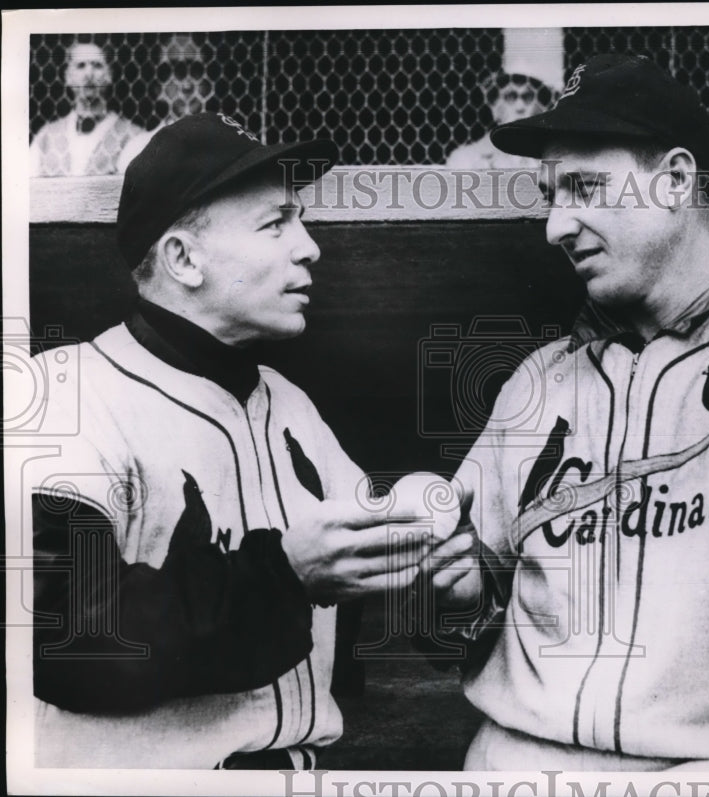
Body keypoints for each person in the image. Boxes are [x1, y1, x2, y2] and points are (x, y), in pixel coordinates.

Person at [428, 55, 709, 772]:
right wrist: (446, 584)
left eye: (585, 187)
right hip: (517, 766)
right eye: (549, 195)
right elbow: (455, 608)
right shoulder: (539, 381)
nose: (556, 225)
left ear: (677, 179)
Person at [28, 112, 470, 769]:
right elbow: (68, 636)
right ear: (184, 258)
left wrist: (435, 591)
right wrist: (283, 575)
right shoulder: (65, 394)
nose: (309, 246)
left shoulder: (291, 406)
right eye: (276, 223)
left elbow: (379, 574)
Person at [29, 39, 144, 176]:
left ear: (109, 75)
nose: (89, 74)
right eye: (81, 65)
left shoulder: (133, 136)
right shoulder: (46, 137)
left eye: (97, 65)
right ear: (67, 77)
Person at [116, 33, 216, 171]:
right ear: (158, 88)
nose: (187, 86)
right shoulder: (137, 151)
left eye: (195, 71)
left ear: (209, 85)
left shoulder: (226, 146)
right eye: (176, 72)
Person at [445, 70, 557, 169]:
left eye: (528, 97)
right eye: (510, 97)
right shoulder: (465, 159)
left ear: (542, 108)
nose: (519, 107)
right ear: (495, 108)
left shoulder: (556, 159)